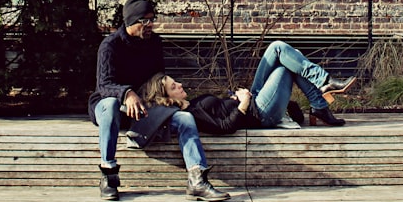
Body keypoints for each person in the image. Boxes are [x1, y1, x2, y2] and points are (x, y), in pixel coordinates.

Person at [87, 0, 230, 202]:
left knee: (184, 119)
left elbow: (158, 79)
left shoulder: (155, 43)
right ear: (130, 22)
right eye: (144, 21)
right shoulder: (110, 45)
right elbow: (104, 85)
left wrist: (169, 100)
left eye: (152, 20)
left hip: (144, 106)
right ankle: (109, 175)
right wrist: (127, 94)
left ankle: (197, 180)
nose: (150, 25)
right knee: (110, 105)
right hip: (109, 105)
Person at [141, 40, 356, 135]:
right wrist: (242, 104)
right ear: (167, 97)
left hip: (255, 99)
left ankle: (320, 98)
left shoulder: (194, 102)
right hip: (259, 114)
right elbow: (225, 127)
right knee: (286, 66)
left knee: (281, 50)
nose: (179, 84)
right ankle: (322, 93)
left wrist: (237, 96)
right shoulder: (190, 114)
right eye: (173, 86)